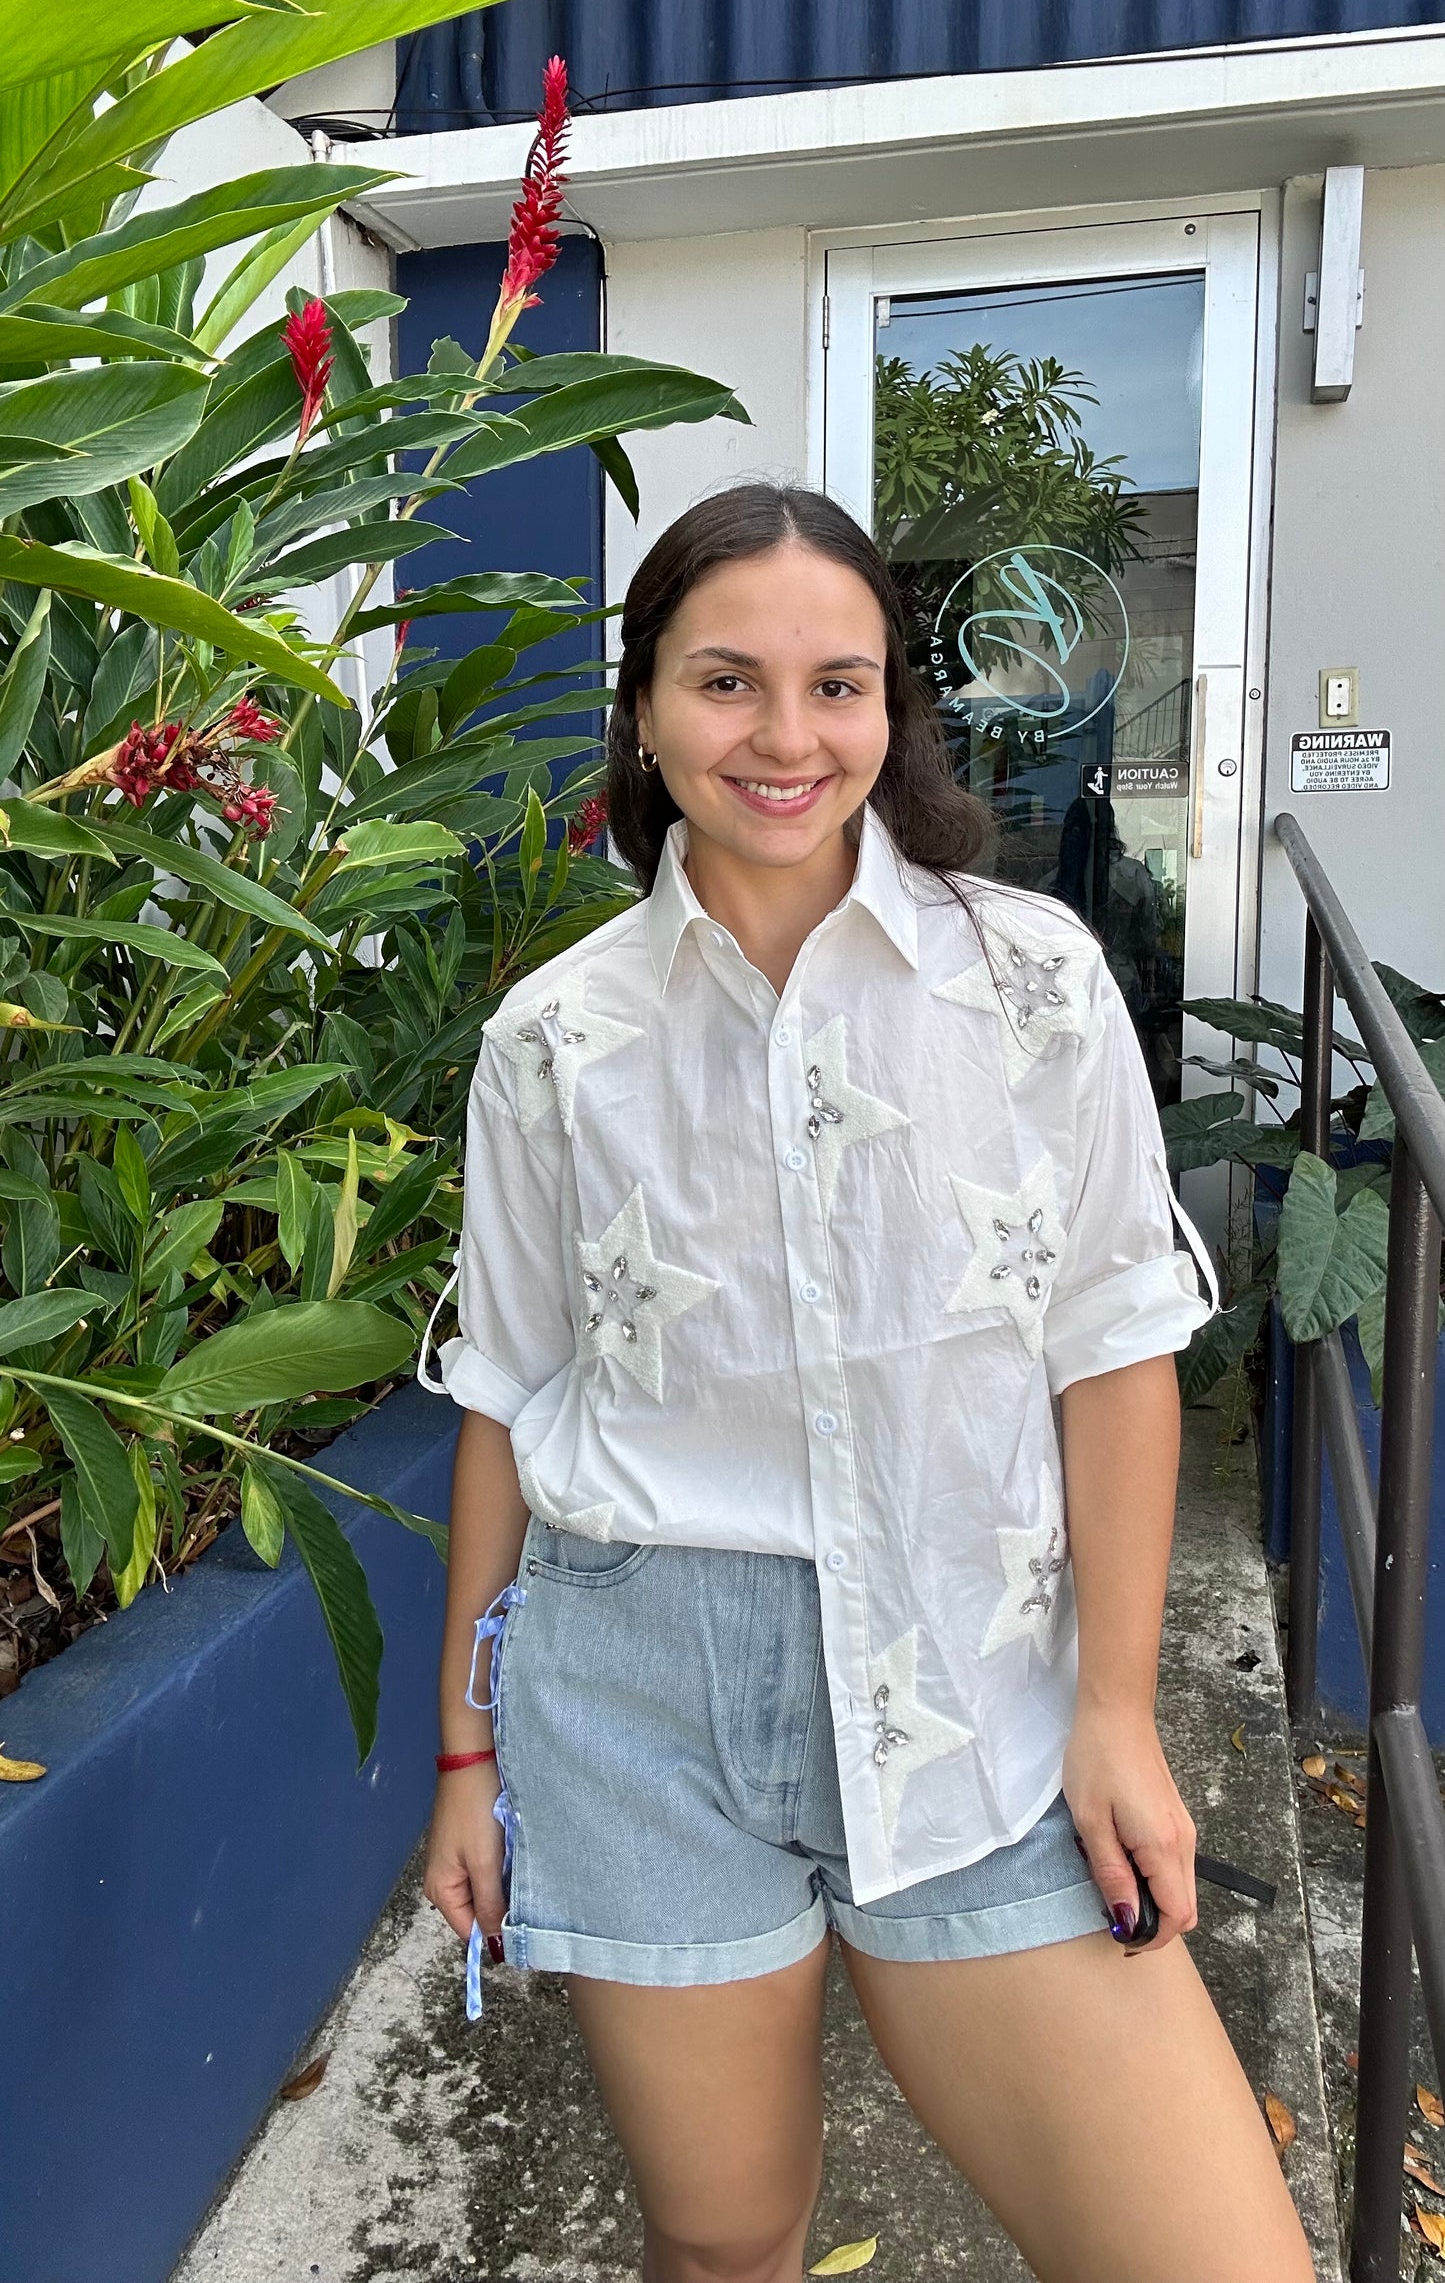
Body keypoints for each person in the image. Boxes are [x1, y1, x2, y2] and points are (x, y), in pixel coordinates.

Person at [420, 485, 1316, 2283]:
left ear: (893, 707)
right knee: (727, 2235)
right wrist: (465, 1752)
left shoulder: (1033, 982)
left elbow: (1114, 1347)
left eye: (836, 684)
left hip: (970, 1681)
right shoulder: (555, 1039)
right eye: (724, 680)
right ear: (647, 706)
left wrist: (1118, 1708)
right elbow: (508, 1396)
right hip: (641, 1693)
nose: (782, 736)